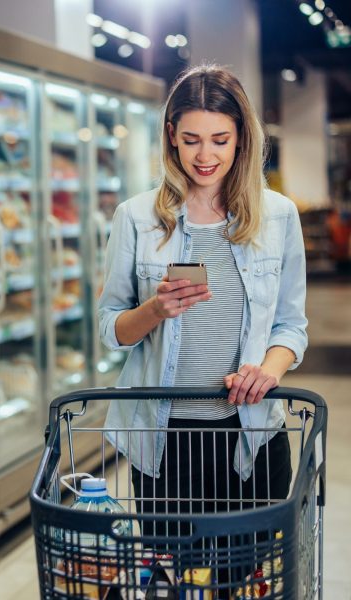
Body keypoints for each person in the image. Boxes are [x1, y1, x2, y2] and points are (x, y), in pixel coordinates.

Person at [96, 64, 308, 591]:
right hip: (166, 443)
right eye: (191, 139)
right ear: (171, 135)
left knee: (244, 580)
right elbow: (109, 328)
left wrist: (267, 370)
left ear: (242, 138)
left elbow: (291, 325)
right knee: (175, 581)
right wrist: (155, 310)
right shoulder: (137, 217)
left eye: (220, 139)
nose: (205, 155)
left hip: (252, 437)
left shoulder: (278, 216)